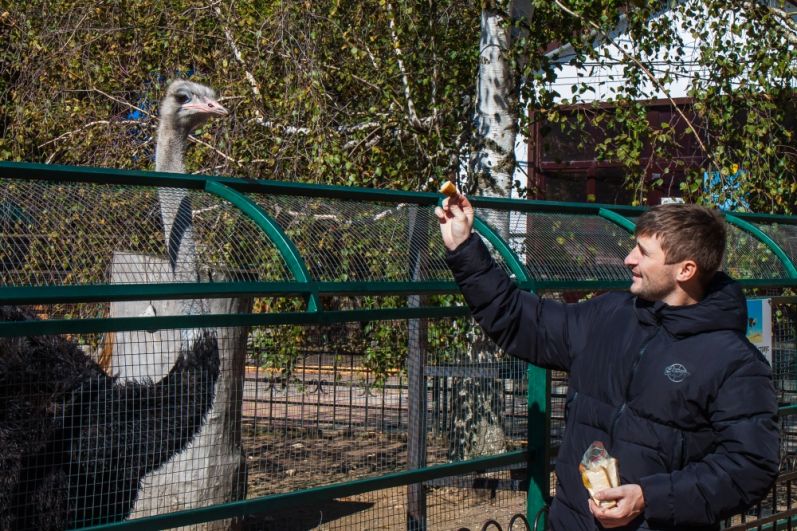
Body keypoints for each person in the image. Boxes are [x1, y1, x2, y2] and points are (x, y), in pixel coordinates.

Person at [436, 195, 779, 530]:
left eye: (643, 253)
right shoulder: (608, 315)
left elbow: (750, 466)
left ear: (685, 269)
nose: (629, 259)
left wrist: (649, 497)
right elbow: (520, 318)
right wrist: (465, 248)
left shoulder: (733, 362)